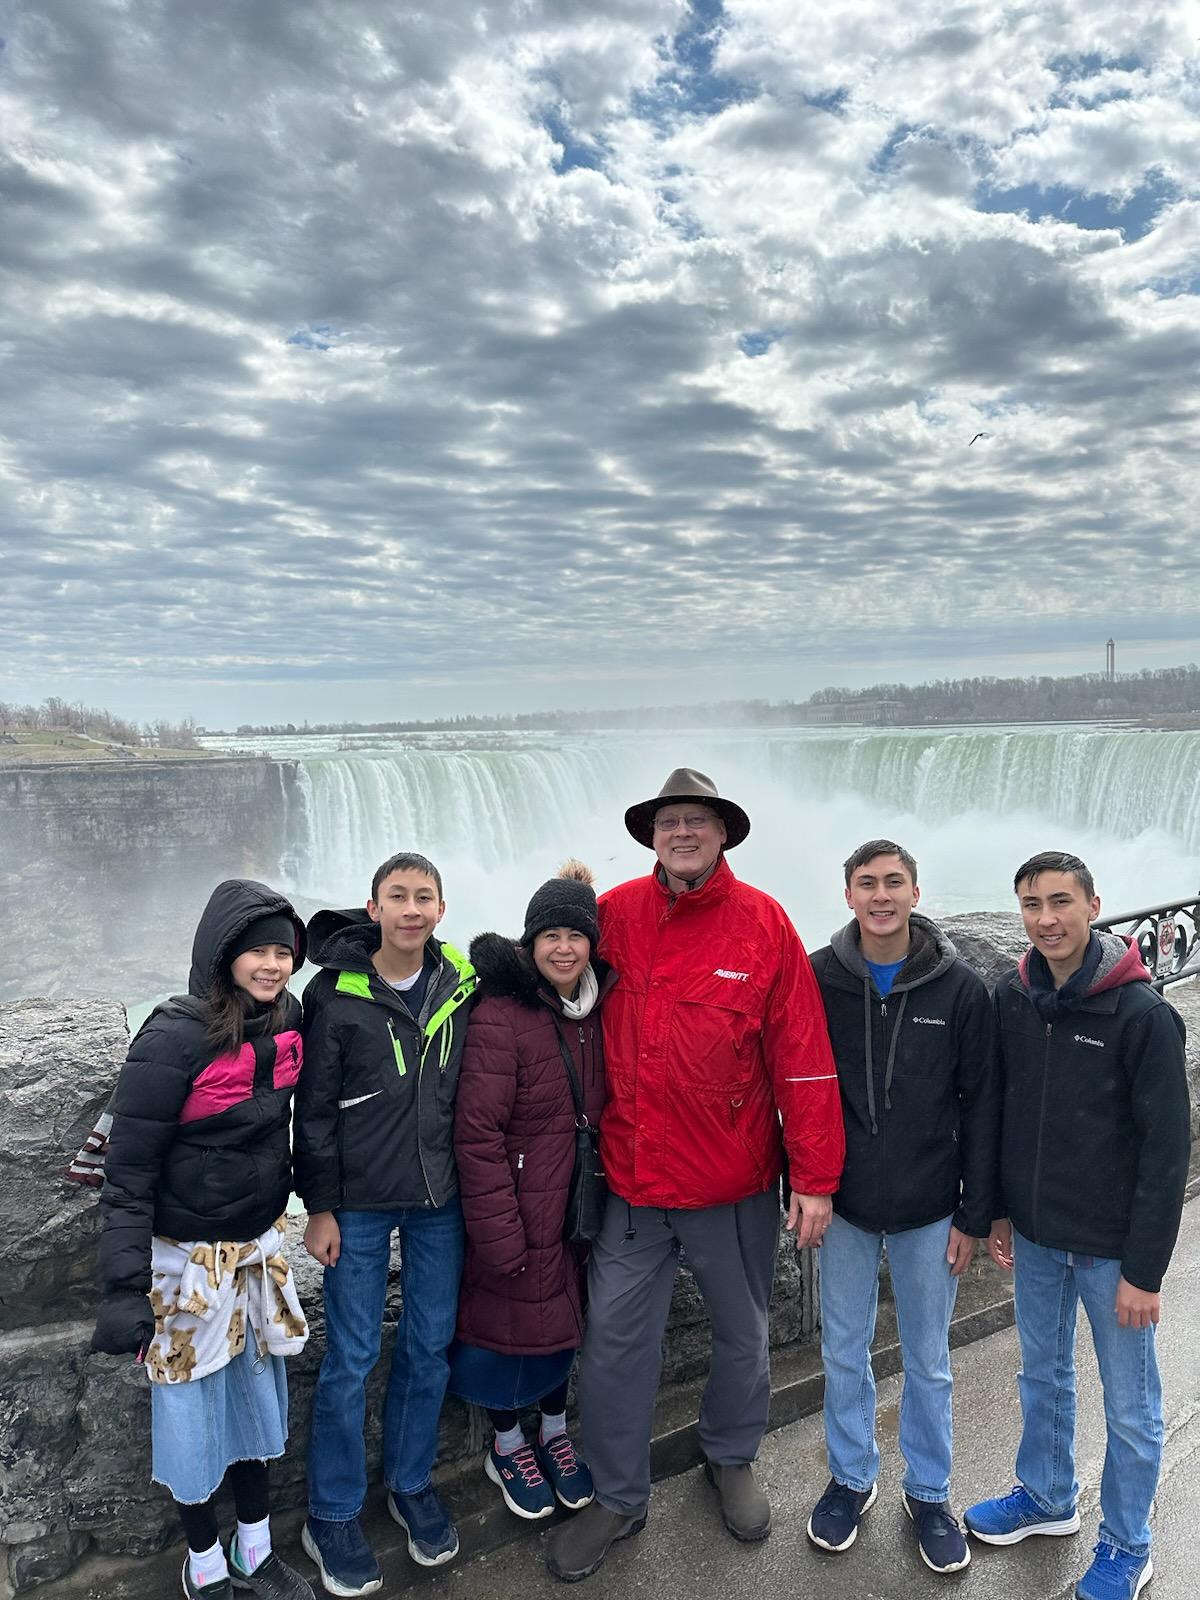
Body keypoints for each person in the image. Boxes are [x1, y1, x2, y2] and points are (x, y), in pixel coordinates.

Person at [546, 768, 845, 1583]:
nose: (683, 832)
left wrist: (814, 1177)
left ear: (721, 833)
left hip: (732, 1182)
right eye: (669, 821)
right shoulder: (612, 916)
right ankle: (617, 1494)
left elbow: (803, 1058)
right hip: (633, 1182)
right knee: (613, 1346)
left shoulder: (764, 924)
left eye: (697, 821)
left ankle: (731, 1455)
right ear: (652, 835)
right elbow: (549, 977)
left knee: (744, 1334)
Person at [965, 851, 1190, 1600]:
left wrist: (1144, 1271)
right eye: (1032, 904)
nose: (1046, 919)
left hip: (1112, 1252)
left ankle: (1127, 1543)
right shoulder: (1014, 996)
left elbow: (1166, 1152)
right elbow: (1000, 1108)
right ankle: (1047, 1497)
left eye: (1061, 901)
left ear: (1094, 906)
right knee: (1043, 1375)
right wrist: (998, 1208)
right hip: (1036, 1236)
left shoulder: (1142, 1015)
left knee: (1130, 1406)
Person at [92, 879, 314, 1600]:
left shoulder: (288, 1018)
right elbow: (129, 1173)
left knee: (253, 1406)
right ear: (222, 955)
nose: (273, 964)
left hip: (254, 1257)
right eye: (258, 951)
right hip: (183, 1269)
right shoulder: (173, 1037)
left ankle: (255, 1550)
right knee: (190, 1418)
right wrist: (123, 1290)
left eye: (284, 951)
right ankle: (204, 1562)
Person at [806, 840, 999, 1573]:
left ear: (916, 894)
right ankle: (852, 1477)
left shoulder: (960, 990)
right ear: (848, 895)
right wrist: (805, 1182)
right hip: (845, 1205)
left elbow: (982, 1105)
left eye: (894, 882)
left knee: (928, 1359)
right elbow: (797, 1084)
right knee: (842, 1350)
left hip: (930, 1207)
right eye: (867, 883)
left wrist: (973, 1213)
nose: (881, 895)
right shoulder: (818, 978)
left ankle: (929, 1492)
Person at [293, 852, 477, 1597]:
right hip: (360, 1202)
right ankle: (331, 1513)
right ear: (373, 909)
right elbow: (313, 1110)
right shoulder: (334, 994)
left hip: (439, 1198)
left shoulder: (461, 982)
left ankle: (410, 1483)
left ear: (441, 909)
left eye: (423, 897)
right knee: (353, 1354)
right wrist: (320, 1208)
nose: (411, 909)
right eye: (397, 896)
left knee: (430, 1346)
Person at [448, 861, 614, 1521]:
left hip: (577, 1202)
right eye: (551, 936)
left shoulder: (597, 1007)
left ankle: (554, 1432)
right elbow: (477, 1132)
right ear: (530, 942)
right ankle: (508, 1444)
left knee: (564, 1323)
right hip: (518, 1205)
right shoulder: (500, 1013)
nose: (564, 949)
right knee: (504, 1330)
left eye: (576, 935)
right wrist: (497, 1228)